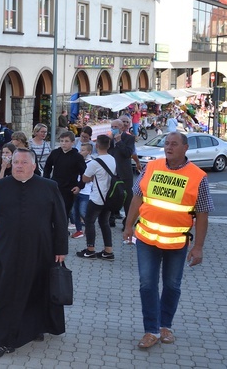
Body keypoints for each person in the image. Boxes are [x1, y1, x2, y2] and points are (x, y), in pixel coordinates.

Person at [123, 132, 213, 350]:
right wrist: (128, 225)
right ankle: (151, 330)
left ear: (185, 148)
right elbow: (137, 197)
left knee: (172, 285)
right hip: (146, 239)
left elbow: (202, 213)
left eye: (174, 144)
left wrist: (198, 247)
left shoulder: (198, 176)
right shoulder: (152, 167)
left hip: (176, 242)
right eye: (166, 143)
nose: (168, 147)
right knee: (147, 284)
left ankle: (166, 326)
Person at [0, 148, 68, 357]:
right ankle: (3, 340)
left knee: (37, 289)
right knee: (6, 293)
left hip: (41, 249)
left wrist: (61, 248)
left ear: (34, 166)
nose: (19, 166)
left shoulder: (49, 186)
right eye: (16, 162)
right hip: (6, 249)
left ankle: (35, 327)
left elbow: (60, 219)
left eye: (23, 162)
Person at [77, 134, 116, 259]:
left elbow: (85, 178)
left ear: (97, 145)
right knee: (104, 223)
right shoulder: (112, 159)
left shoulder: (95, 162)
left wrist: (92, 177)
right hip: (110, 198)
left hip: (97, 197)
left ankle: (90, 249)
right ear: (109, 145)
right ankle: (108, 250)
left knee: (89, 222)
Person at [43, 131, 86, 223]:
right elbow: (47, 167)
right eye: (62, 141)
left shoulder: (77, 157)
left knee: (64, 212)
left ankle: (62, 233)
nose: (63, 143)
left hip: (69, 189)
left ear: (72, 142)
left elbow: (84, 173)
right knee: (52, 211)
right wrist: (46, 181)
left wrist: (79, 186)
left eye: (66, 141)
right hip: (55, 186)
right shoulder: (55, 153)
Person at [70, 142, 93, 240]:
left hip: (86, 192)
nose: (80, 152)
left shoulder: (91, 163)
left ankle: (89, 228)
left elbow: (90, 178)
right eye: (80, 149)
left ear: (89, 152)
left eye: (83, 150)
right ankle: (79, 230)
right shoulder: (77, 161)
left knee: (83, 211)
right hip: (76, 190)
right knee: (75, 212)